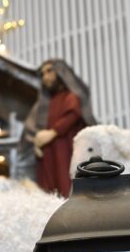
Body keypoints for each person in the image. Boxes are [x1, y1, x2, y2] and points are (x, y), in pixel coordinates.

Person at [20, 59, 96, 197]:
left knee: (67, 186)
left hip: (65, 152)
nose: (45, 77)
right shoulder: (43, 105)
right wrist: (37, 142)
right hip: (46, 157)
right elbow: (35, 126)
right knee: (49, 194)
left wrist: (53, 132)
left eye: (49, 71)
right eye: (43, 74)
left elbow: (73, 114)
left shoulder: (71, 97)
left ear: (61, 73)